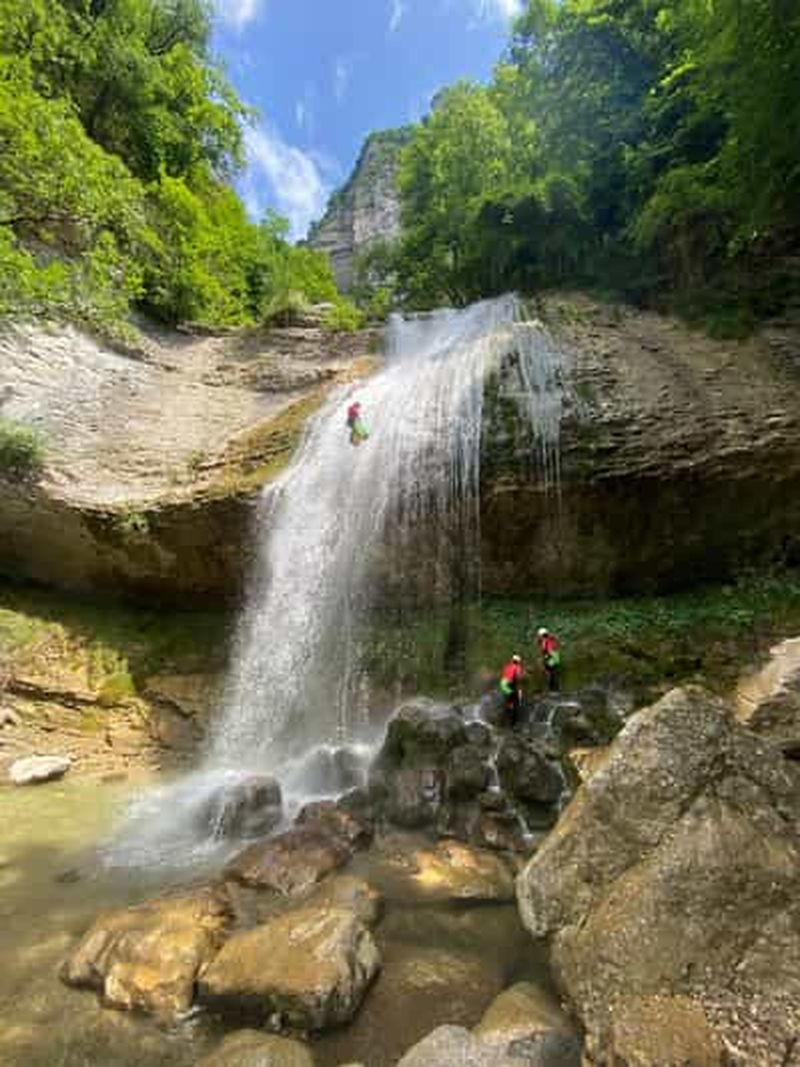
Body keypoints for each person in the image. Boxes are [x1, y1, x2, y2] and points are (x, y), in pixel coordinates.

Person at [499, 654, 524, 727]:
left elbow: (504, 676)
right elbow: (518, 678)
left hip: (503, 685)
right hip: (509, 685)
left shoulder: (507, 666)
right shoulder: (517, 667)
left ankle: (503, 719)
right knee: (516, 703)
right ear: (518, 661)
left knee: (509, 702)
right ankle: (513, 724)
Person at [536, 627, 561, 692]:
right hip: (555, 658)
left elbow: (549, 651)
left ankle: (552, 690)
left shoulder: (545, 641)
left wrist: (544, 658)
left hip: (551, 659)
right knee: (554, 674)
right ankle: (555, 689)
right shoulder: (551, 639)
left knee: (549, 674)